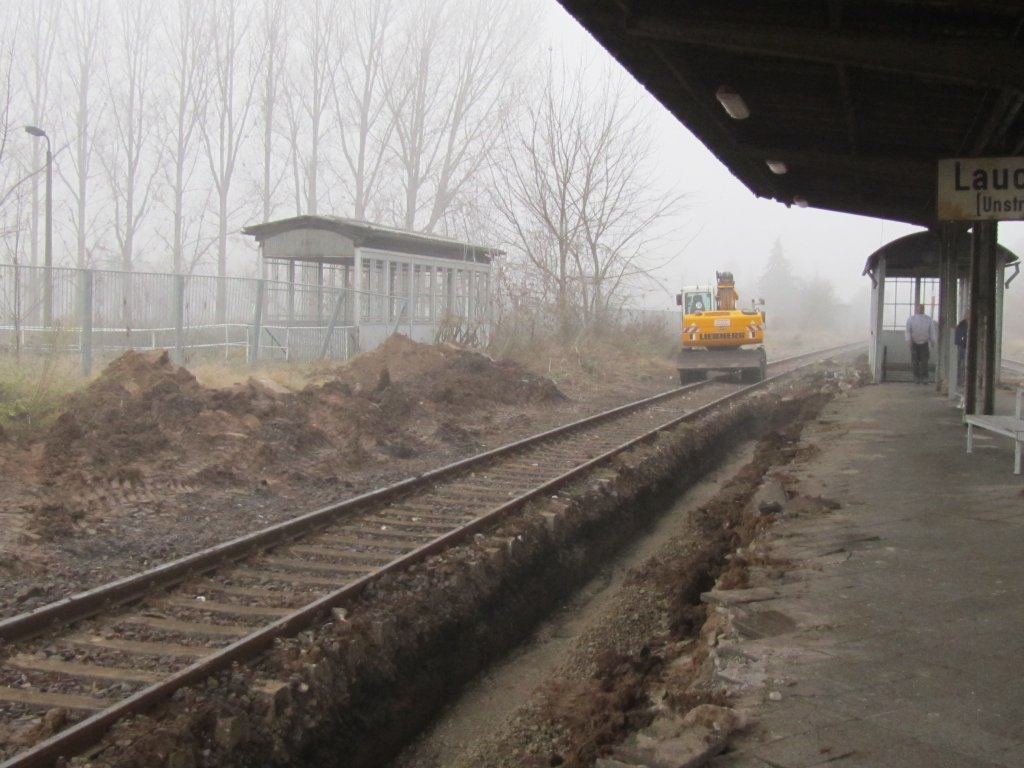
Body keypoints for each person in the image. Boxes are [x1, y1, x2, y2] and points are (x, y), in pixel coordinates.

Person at [905, 303, 938, 384]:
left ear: (923, 309)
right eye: (919, 308)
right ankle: (916, 377)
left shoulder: (928, 319)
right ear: (916, 309)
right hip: (914, 343)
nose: (920, 309)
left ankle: (925, 377)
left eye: (922, 308)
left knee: (924, 361)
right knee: (915, 361)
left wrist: (933, 340)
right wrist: (908, 340)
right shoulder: (911, 319)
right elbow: (908, 331)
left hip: (924, 343)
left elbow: (932, 331)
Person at [954, 310, 969, 389]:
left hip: (968, 347)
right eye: (967, 314)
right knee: (960, 364)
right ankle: (959, 380)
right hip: (962, 346)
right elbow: (958, 336)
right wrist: (961, 342)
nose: (968, 316)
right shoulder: (961, 324)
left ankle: (966, 380)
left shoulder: (973, 324)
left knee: (966, 365)